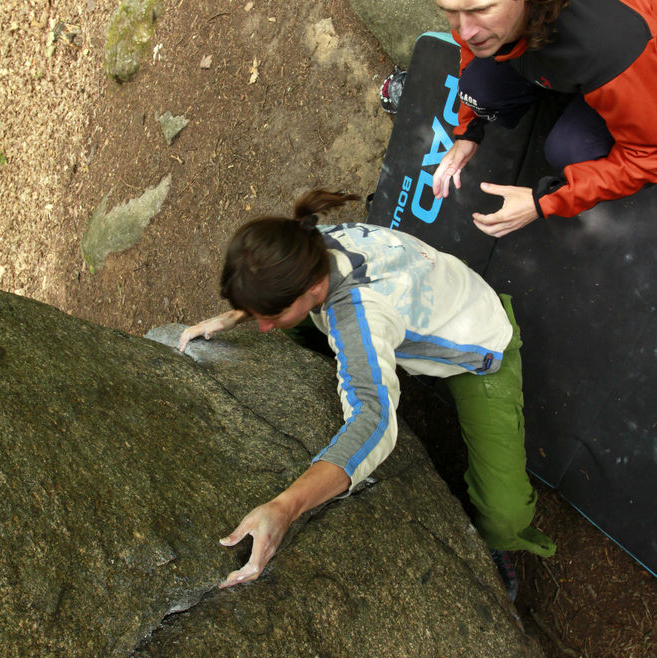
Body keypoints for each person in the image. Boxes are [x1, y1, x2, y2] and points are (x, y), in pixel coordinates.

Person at [178, 189, 555, 598]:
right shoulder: (307, 241)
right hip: (437, 287)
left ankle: (497, 544)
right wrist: (236, 313)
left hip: (479, 346)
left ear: (312, 286)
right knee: (301, 326)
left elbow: (374, 422)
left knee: (505, 512)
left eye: (269, 314)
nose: (263, 327)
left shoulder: (358, 314)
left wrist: (285, 508)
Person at [421, 0, 657, 237]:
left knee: (570, 151)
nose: (465, 29)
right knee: (478, 89)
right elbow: (470, 39)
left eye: (482, 10)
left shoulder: (611, 49)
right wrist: (468, 130)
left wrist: (544, 202)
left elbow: (648, 157)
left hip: (638, 54)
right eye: (451, 10)